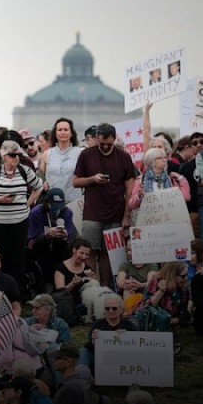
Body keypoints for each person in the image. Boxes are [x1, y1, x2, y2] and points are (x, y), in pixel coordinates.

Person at [73, 123, 139, 287]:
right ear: (97, 138)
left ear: (114, 139)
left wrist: (126, 216)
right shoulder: (86, 154)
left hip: (115, 212)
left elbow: (130, 189)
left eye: (109, 144)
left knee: (107, 253)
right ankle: (90, 286)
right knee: (89, 251)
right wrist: (92, 179)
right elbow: (75, 181)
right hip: (92, 213)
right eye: (101, 144)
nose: (104, 147)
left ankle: (104, 287)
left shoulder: (123, 157)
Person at [0, 140, 43, 294]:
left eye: (17, 155)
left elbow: (39, 186)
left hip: (19, 220)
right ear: (4, 156)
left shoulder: (25, 171)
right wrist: (0, 199)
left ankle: (17, 293)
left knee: (18, 257)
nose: (15, 158)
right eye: (12, 155)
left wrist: (27, 205)